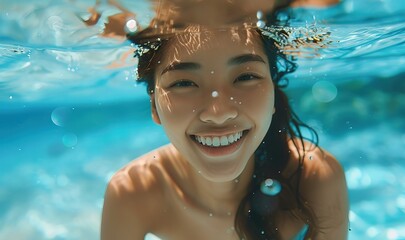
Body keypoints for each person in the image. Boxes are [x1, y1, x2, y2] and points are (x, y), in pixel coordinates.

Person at [100, 1, 348, 240]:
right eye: (184, 83)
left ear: (273, 93)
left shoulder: (315, 178)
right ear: (154, 106)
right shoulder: (133, 192)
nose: (218, 112)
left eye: (245, 77)